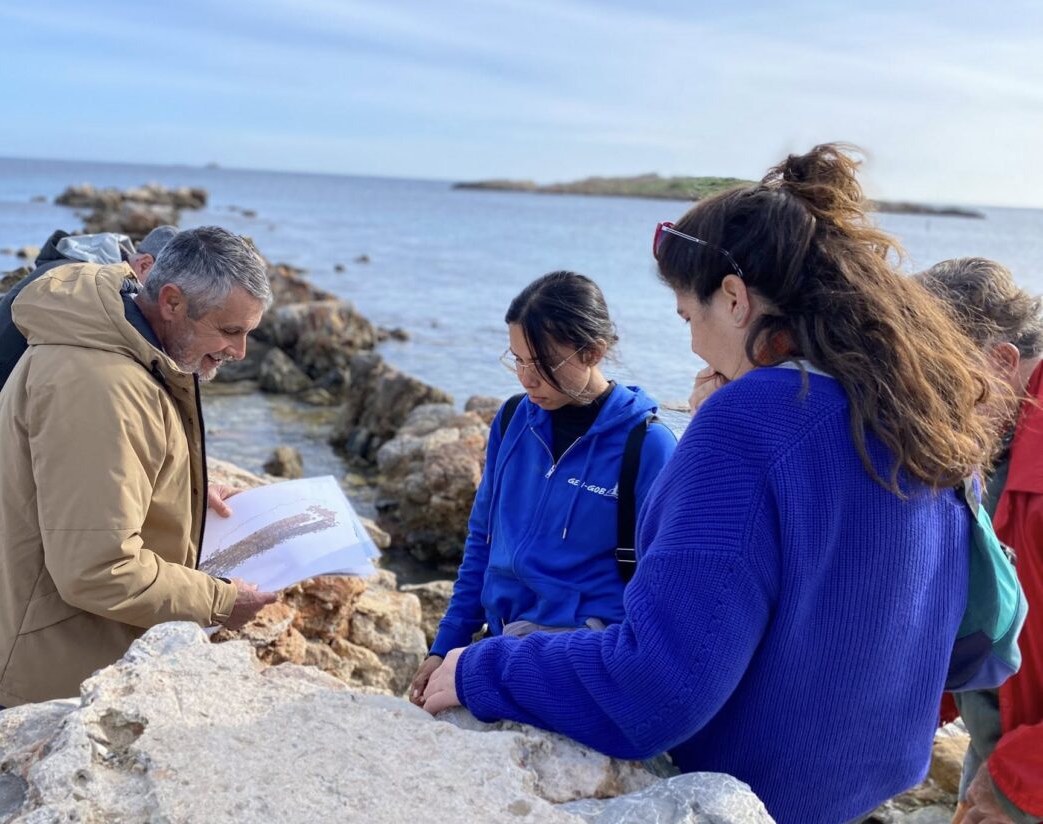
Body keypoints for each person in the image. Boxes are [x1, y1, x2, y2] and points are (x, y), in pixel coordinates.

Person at [420, 144, 1002, 824]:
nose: (694, 344)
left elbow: (653, 689)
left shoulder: (746, 422)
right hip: (862, 781)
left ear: (733, 298)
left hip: (750, 789)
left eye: (688, 317)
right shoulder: (920, 404)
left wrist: (480, 669)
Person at [0, 226, 275, 796]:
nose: (239, 352)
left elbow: (114, 459)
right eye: (230, 330)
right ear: (170, 299)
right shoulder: (102, 383)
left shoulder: (115, 331)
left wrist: (185, 484)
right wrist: (220, 601)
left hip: (13, 521)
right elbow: (99, 567)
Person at [408, 272, 677, 703]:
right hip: (503, 642)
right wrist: (444, 646)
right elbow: (481, 540)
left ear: (593, 352)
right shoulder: (512, 420)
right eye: (517, 360)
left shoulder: (647, 446)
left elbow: (663, 589)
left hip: (581, 653)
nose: (526, 379)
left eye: (542, 363)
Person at [916, 258, 1043, 824]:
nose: (922, 403)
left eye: (935, 377)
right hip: (1001, 749)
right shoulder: (992, 430)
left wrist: (1018, 784)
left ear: (1002, 361)